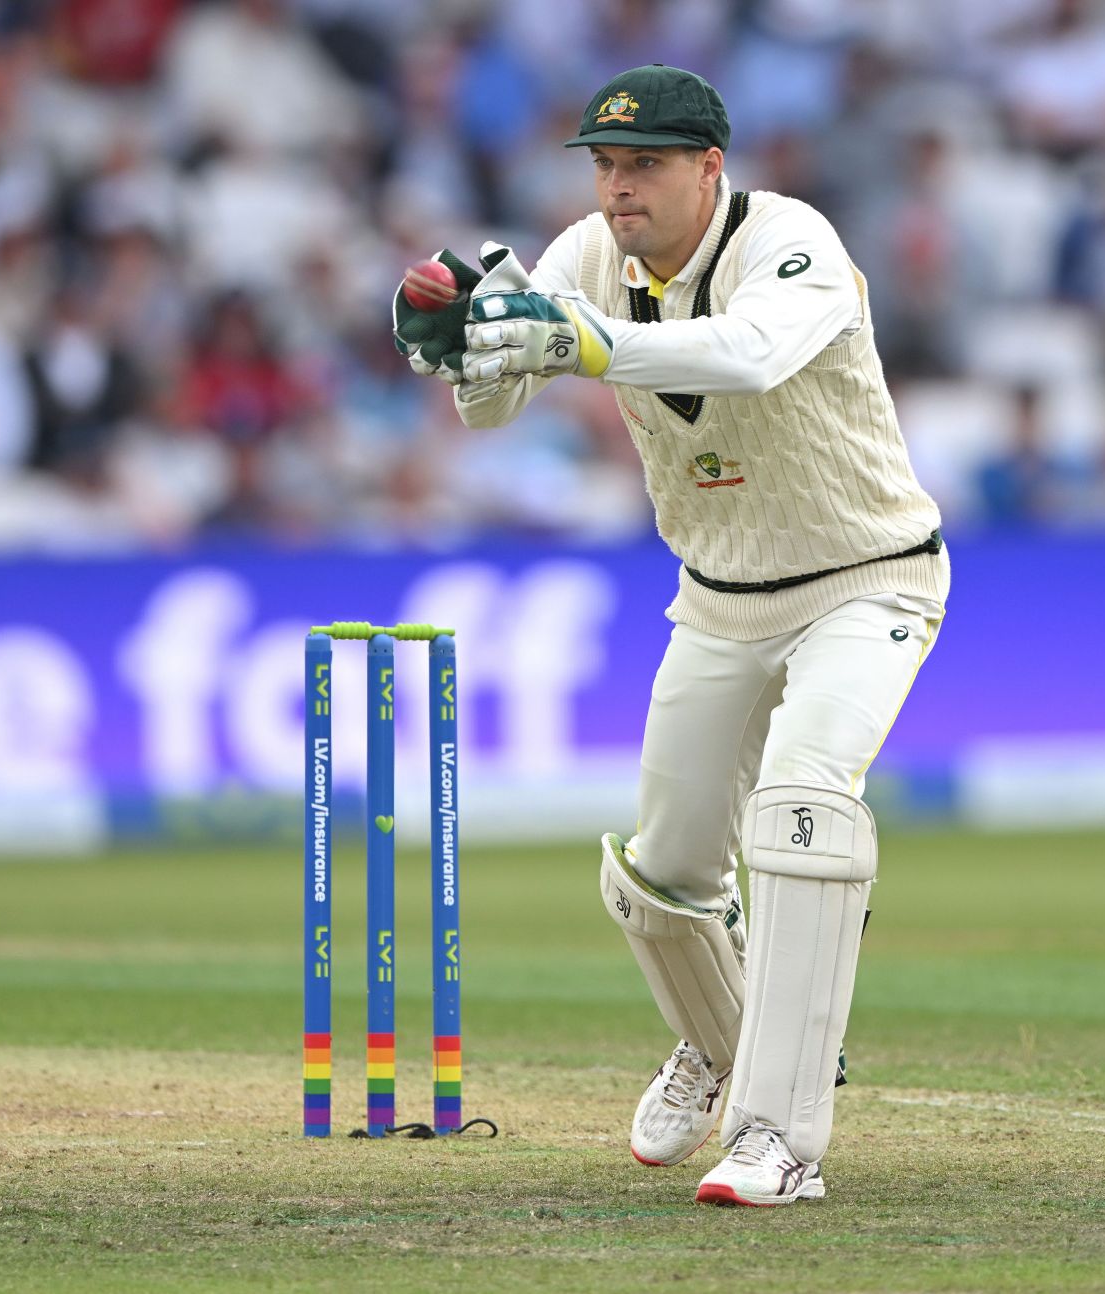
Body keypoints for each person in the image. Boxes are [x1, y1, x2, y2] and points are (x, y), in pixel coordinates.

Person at [394, 65, 949, 1207]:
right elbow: (498, 400)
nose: (616, 190)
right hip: (718, 596)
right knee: (662, 878)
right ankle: (720, 1036)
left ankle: (779, 1138)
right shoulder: (585, 255)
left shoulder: (787, 239)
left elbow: (746, 353)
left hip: (866, 579)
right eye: (603, 165)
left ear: (709, 166)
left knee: (802, 811)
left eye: (642, 164)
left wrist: (583, 342)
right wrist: (457, 342)